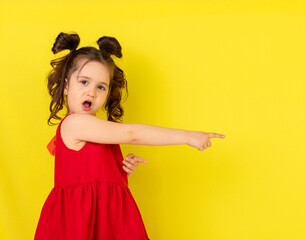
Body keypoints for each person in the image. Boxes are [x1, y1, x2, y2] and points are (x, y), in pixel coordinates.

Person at [34, 32, 225, 240]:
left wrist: (121, 173)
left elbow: (99, 182)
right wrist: (188, 136)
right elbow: (132, 134)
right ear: (66, 85)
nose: (92, 93)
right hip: (81, 223)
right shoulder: (74, 123)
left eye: (101, 87)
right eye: (84, 82)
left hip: (106, 219)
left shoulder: (99, 131)